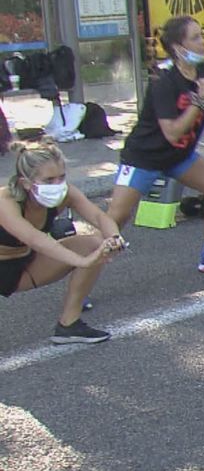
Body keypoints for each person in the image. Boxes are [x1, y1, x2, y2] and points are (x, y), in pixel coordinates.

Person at [106, 15, 204, 274]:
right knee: (115, 219)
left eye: (201, 36)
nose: (202, 43)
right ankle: (82, 273)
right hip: (143, 157)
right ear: (179, 48)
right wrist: (199, 100)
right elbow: (171, 132)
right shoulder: (164, 80)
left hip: (180, 156)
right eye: (195, 38)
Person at [1, 138, 125, 344]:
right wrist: (82, 262)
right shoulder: (5, 201)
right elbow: (35, 238)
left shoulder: (65, 193)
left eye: (61, 177)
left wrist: (113, 238)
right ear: (25, 182)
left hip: (21, 265)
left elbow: (99, 217)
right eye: (49, 180)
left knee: (93, 244)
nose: (57, 185)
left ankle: (69, 324)